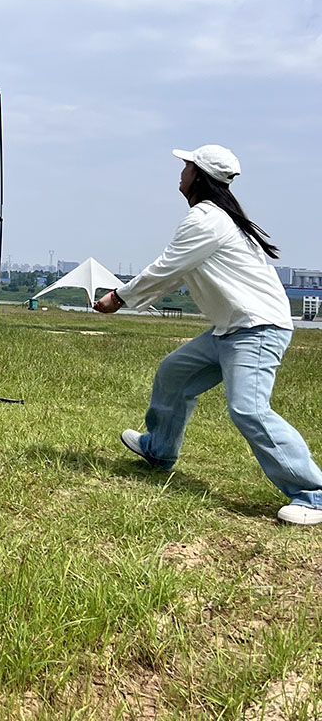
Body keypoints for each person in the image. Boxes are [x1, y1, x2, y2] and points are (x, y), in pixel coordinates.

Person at [94, 145, 322, 526]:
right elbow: (177, 272)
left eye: (186, 166)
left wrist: (119, 297)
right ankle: (159, 449)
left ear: (198, 176)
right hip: (231, 329)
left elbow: (167, 267)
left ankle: (313, 493)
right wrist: (132, 297)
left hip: (256, 329)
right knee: (174, 373)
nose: (180, 172)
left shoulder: (206, 220)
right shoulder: (216, 218)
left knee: (248, 409)